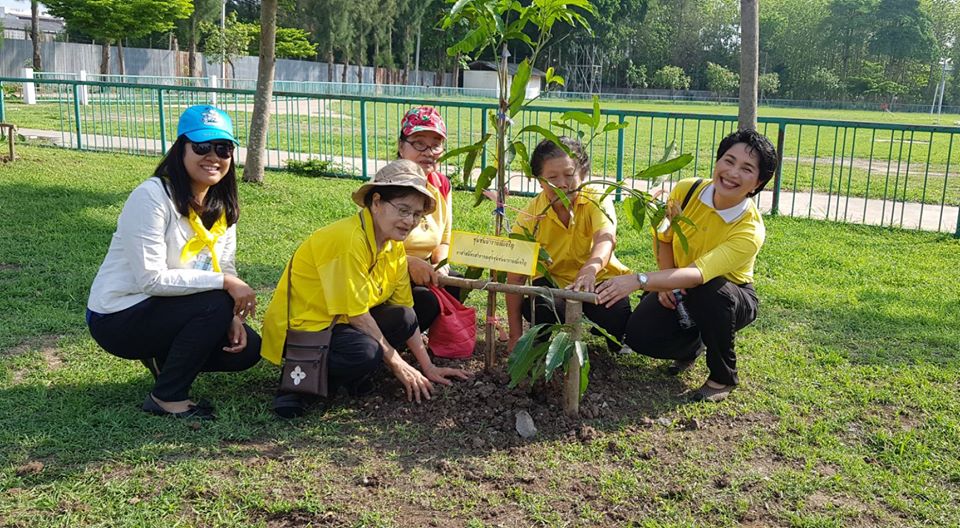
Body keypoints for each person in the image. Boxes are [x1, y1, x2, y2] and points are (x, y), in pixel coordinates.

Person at [86, 105, 261, 420]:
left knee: (247, 349)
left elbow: (225, 265)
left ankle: (166, 360)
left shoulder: (222, 205)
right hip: (118, 316)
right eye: (202, 146)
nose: (213, 156)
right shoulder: (152, 196)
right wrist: (225, 288)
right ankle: (167, 397)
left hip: (173, 307)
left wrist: (230, 316)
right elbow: (151, 279)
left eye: (223, 148)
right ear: (181, 149)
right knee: (217, 300)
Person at [260, 159, 471, 418]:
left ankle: (347, 374)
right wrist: (398, 364)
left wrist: (427, 366)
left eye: (417, 215)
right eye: (403, 210)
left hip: (340, 322)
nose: (410, 221)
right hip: (306, 330)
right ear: (377, 202)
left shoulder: (393, 245)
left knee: (406, 316)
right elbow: (359, 316)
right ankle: (299, 381)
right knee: (366, 352)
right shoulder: (348, 240)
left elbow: (405, 308)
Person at [596, 129, 779, 402]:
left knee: (711, 290)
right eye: (728, 161)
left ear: (758, 182)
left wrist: (639, 280)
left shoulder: (749, 230)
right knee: (638, 335)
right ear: (717, 162)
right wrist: (664, 289)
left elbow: (698, 274)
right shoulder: (686, 191)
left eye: (746, 169)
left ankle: (722, 377)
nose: (732, 173)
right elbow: (665, 238)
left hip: (728, 297)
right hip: (683, 283)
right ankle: (692, 346)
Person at [506, 137, 633, 353]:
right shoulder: (530, 216)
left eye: (569, 174)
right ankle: (538, 343)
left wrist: (591, 268)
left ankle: (614, 336)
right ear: (540, 181)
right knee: (540, 306)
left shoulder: (596, 199)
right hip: (555, 285)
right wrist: (515, 334)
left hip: (598, 278)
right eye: (552, 177)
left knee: (616, 314)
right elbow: (515, 276)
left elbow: (605, 236)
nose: (562, 184)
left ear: (583, 173)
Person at [395, 106, 460, 331]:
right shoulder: (387, 186)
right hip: (389, 269)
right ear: (401, 147)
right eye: (419, 143)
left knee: (455, 283)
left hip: (426, 267)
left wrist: (440, 264)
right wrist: (409, 263)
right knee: (425, 302)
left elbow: (444, 238)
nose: (428, 152)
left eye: (435, 145)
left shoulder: (441, 184)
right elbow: (373, 249)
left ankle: (431, 337)